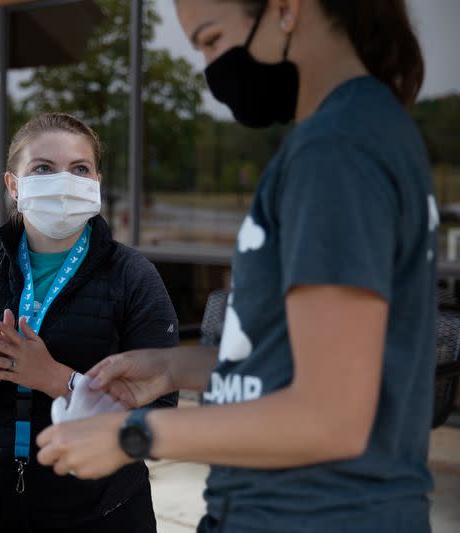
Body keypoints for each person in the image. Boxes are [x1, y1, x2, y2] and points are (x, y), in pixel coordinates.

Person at [36, 1, 436, 532]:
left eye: (211, 39)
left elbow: (331, 417)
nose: (210, 69)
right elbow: (295, 357)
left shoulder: (336, 149)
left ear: (288, 10)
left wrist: (133, 435)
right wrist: (172, 368)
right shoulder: (360, 131)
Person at [0, 112, 179, 533]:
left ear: (96, 181)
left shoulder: (133, 276)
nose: (63, 181)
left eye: (79, 169)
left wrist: (57, 379)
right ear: (13, 185)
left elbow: (160, 411)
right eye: (43, 168)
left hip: (100, 512)